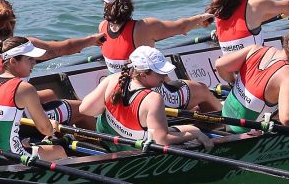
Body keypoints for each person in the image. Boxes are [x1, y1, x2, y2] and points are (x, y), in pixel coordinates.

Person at [0, 0, 97, 124]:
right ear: (14, 20)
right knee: (84, 109)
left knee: (49, 94)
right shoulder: (23, 45)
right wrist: (91, 40)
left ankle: (55, 127)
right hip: (19, 118)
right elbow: (65, 48)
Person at [77, 47, 214, 150]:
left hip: (108, 142)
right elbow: (161, 141)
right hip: (131, 149)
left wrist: (114, 110)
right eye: (160, 73)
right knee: (193, 129)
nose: (164, 77)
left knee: (184, 128)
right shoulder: (153, 99)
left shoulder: (113, 79)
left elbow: (85, 109)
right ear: (143, 74)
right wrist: (195, 134)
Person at [214, 18, 289, 131]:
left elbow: (220, 65)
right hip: (241, 130)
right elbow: (288, 118)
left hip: (225, 115)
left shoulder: (255, 49)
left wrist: (234, 83)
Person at [0, 37, 66, 161]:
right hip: (7, 159)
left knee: (24, 142)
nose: (34, 63)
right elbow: (45, 129)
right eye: (29, 59)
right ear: (13, 61)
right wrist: (52, 126)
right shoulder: (24, 88)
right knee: (59, 150)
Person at [98, 0, 214, 73]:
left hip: (114, 90)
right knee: (199, 89)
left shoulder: (102, 28)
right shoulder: (145, 27)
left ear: (105, 4)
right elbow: (180, 27)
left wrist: (197, 24)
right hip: (142, 89)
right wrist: (200, 18)